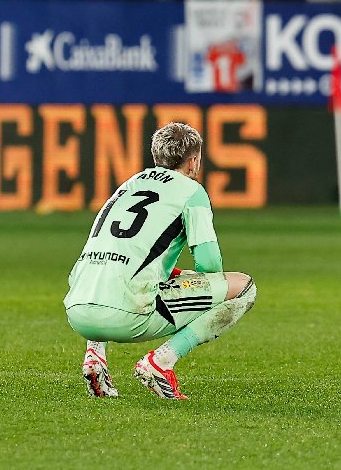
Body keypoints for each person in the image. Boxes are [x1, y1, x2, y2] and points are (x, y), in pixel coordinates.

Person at [63, 122, 258, 399]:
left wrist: (171, 272)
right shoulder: (191, 191)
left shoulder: (128, 185)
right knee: (244, 287)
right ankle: (161, 362)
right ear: (193, 161)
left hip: (78, 310)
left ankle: (95, 356)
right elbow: (210, 266)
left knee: (111, 269)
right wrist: (188, 278)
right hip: (126, 315)